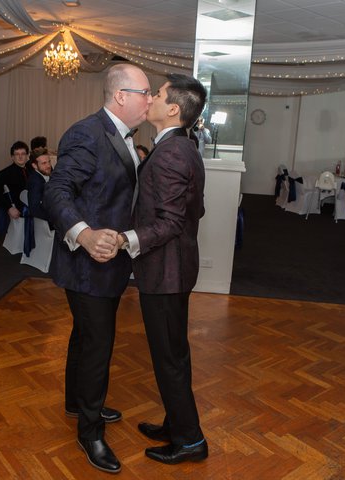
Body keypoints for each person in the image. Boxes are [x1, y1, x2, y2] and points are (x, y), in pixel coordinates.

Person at [44, 63, 152, 474]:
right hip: (87, 262)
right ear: (121, 96)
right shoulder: (87, 133)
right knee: (98, 345)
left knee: (86, 337)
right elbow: (56, 191)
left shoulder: (119, 135)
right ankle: (89, 433)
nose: (151, 99)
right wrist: (85, 235)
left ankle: (76, 402)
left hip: (107, 260)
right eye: (145, 92)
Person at [117, 74, 209, 465]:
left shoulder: (172, 152)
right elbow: (193, 210)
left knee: (169, 359)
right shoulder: (180, 146)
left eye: (157, 93)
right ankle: (176, 424)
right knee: (174, 355)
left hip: (166, 271)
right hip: (174, 267)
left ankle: (190, 441)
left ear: (173, 108)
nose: (150, 97)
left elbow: (170, 222)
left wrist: (126, 240)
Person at [0, 140, 30, 234]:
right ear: (12, 157)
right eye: (17, 154)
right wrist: (9, 208)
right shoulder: (5, 173)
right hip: (18, 207)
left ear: (27, 156)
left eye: (23, 153)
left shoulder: (31, 170)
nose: (20, 156)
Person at [27, 148, 52, 222]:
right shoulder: (35, 182)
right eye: (44, 163)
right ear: (34, 165)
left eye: (49, 162)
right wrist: (56, 217)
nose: (48, 166)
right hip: (47, 223)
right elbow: (35, 209)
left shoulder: (45, 172)